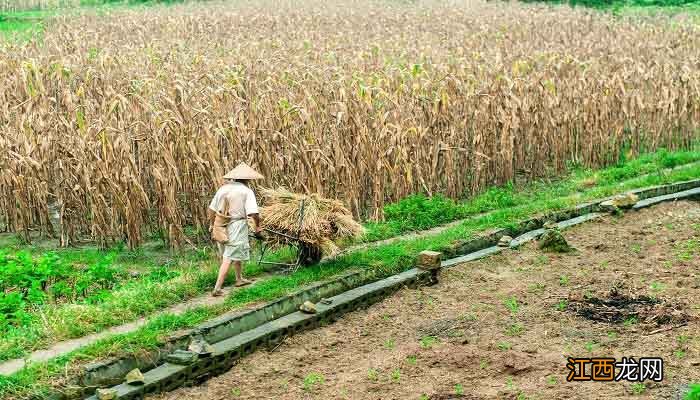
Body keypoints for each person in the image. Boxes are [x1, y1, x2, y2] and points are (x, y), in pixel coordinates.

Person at [208, 162, 264, 296]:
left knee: (232, 253)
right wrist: (258, 226)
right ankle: (217, 288)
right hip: (236, 225)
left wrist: (211, 224)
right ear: (248, 179)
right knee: (229, 256)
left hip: (220, 224)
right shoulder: (246, 191)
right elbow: (253, 213)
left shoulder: (223, 188)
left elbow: (211, 209)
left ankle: (239, 279)